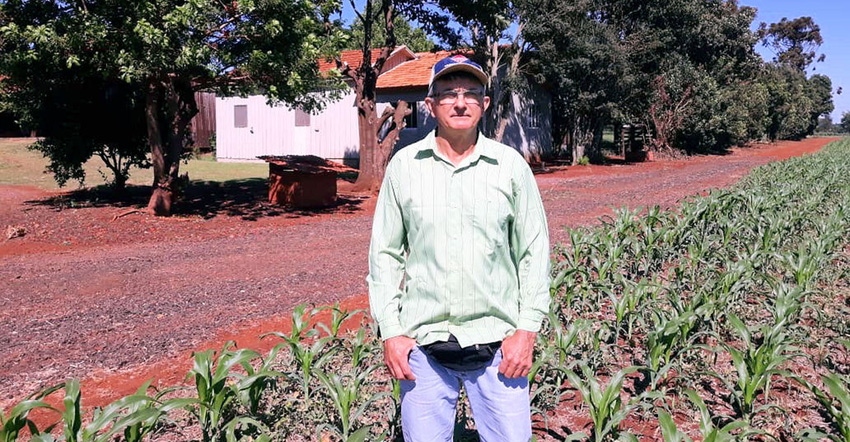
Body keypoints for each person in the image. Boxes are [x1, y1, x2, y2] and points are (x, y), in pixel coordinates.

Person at [367, 54, 551, 442]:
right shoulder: (405, 167)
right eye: (448, 94)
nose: (461, 102)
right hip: (424, 347)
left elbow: (533, 251)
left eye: (471, 93)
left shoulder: (510, 167)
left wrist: (527, 330)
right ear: (430, 105)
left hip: (501, 347)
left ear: (485, 104)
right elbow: (384, 255)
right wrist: (391, 332)